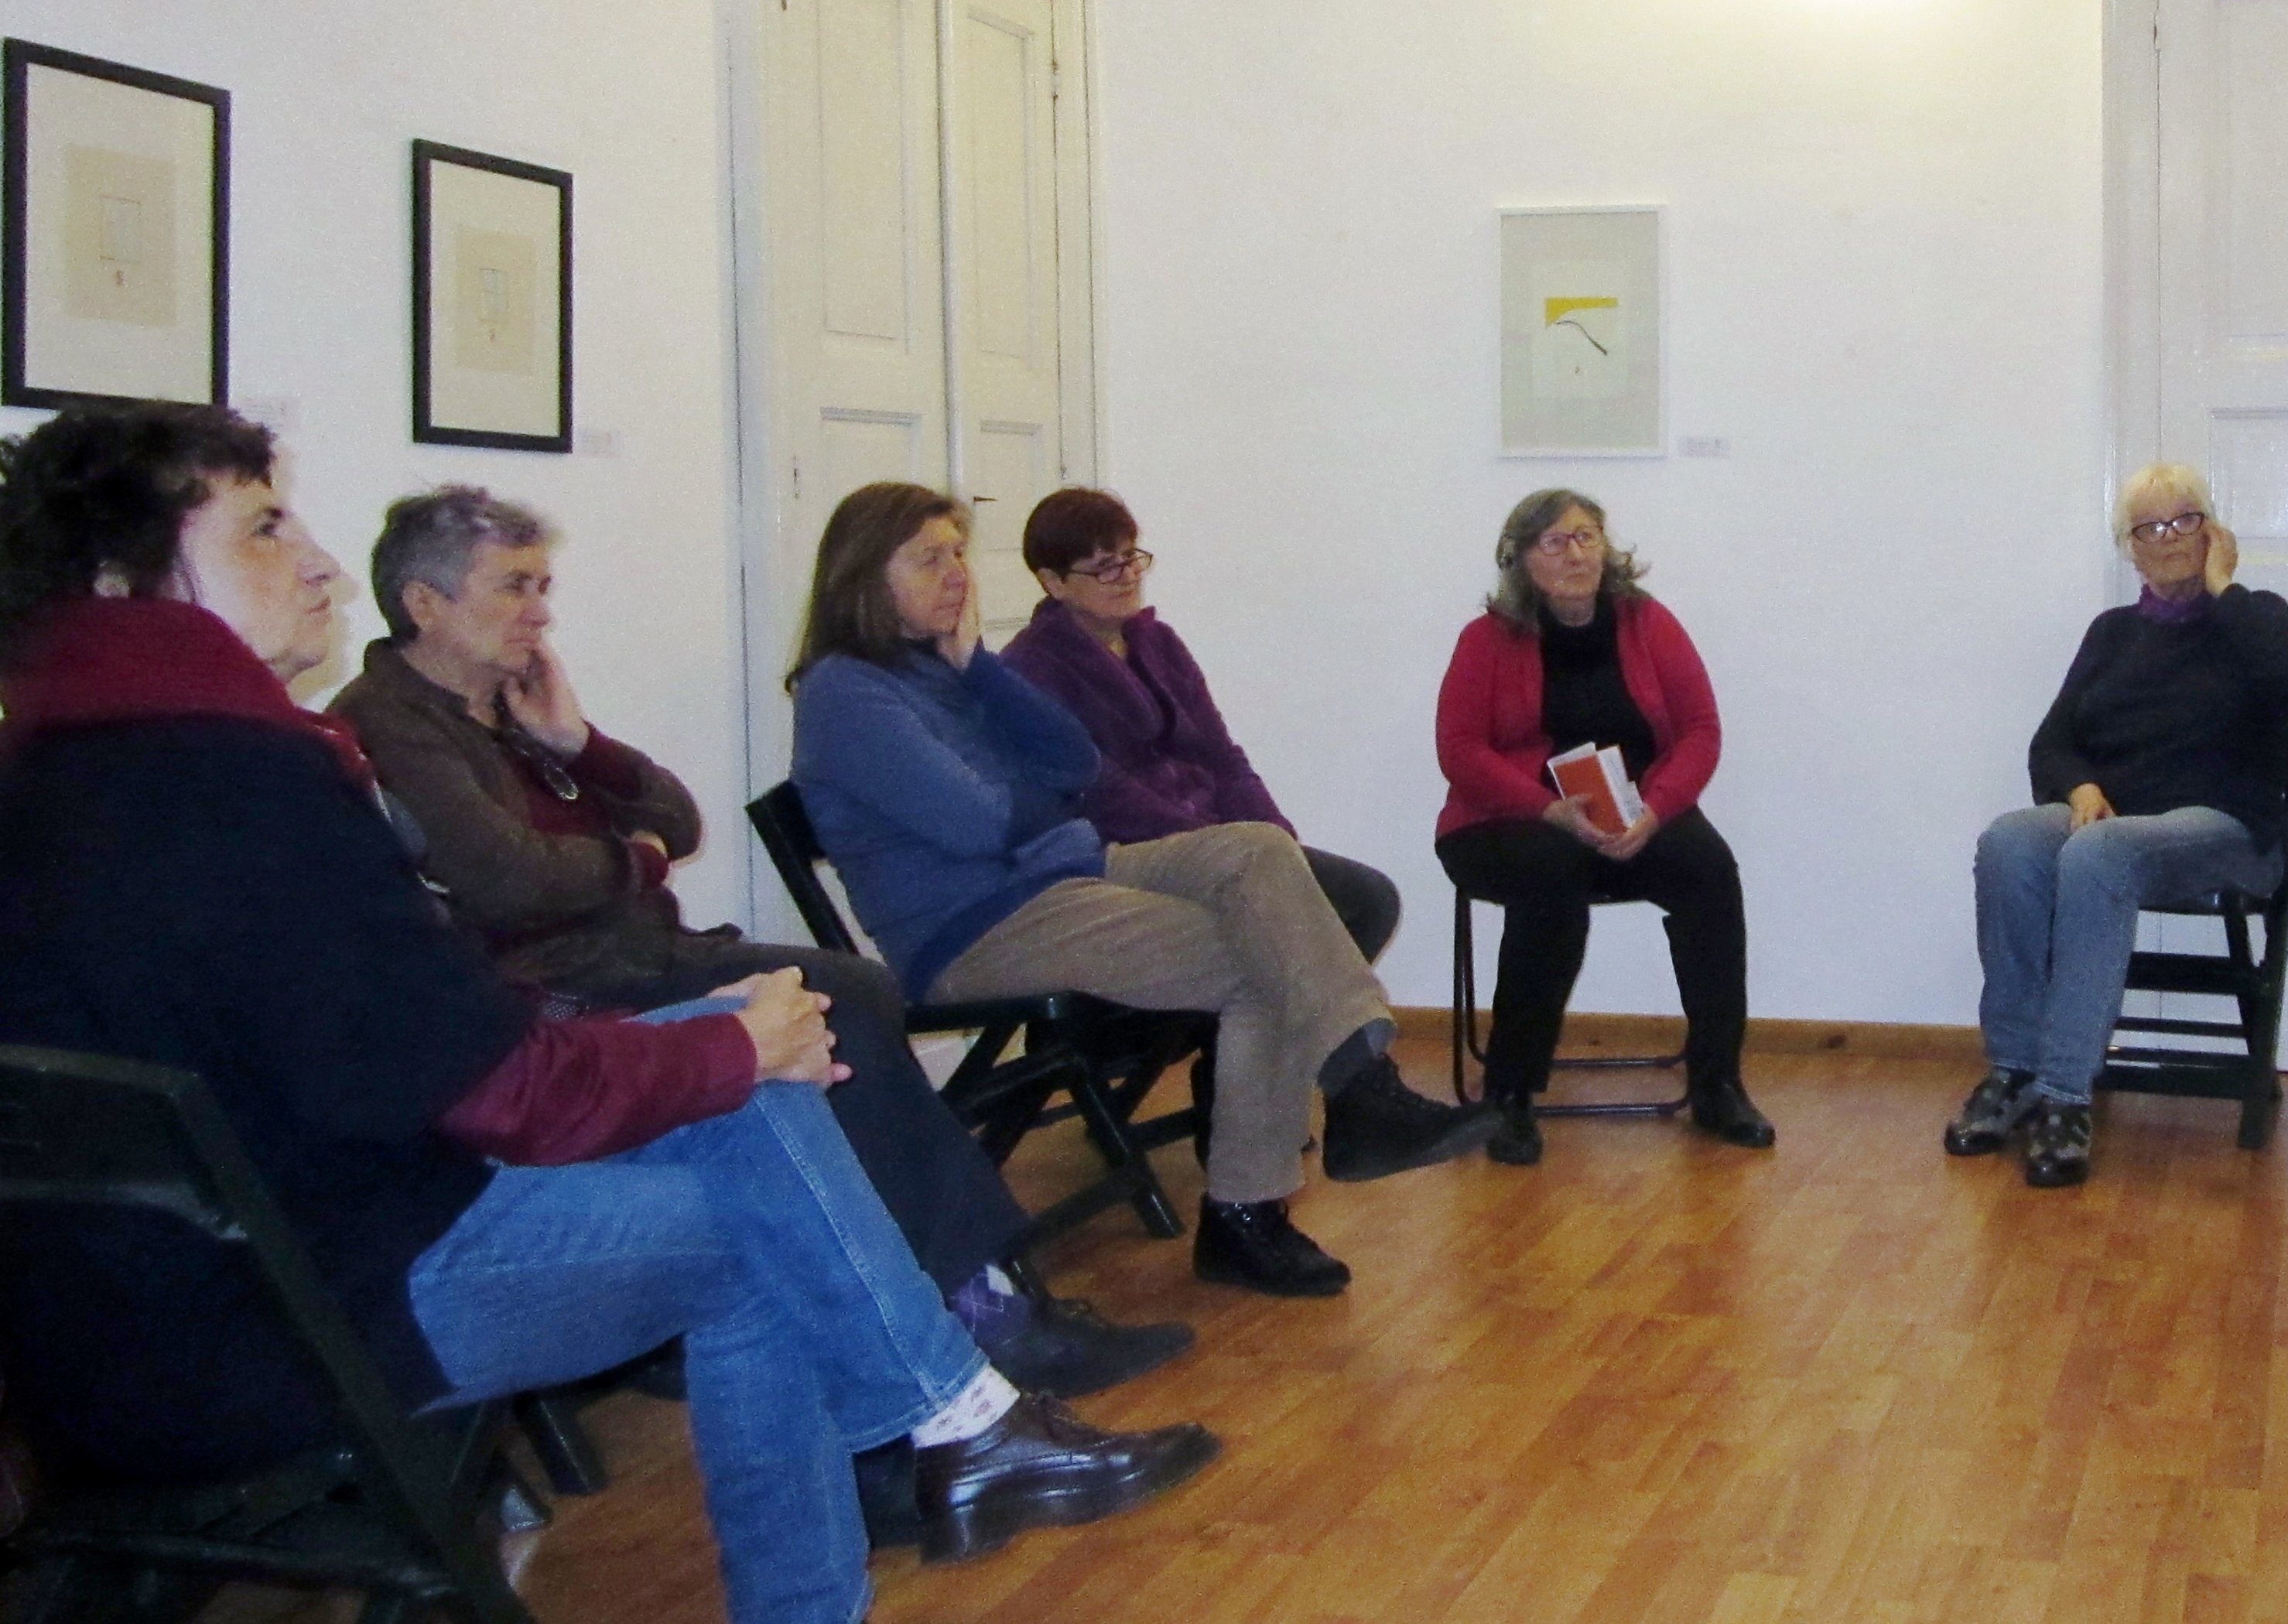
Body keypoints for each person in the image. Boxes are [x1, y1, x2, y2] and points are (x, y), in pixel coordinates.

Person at [0, 405, 1212, 1624]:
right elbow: (498, 1090)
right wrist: (730, 1045)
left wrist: (719, 1041)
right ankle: (930, 1453)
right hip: (293, 1319)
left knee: (756, 1093)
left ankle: (959, 1424)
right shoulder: (246, 780)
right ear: (120, 580)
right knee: (765, 1224)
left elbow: (396, 1050)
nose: (318, 562)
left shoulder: (61, 769)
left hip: (107, 1334)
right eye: (265, 527)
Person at [328, 485, 1191, 1414]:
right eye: (514, 587)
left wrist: (578, 743)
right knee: (836, 1013)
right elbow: (511, 879)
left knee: (852, 990)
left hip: (644, 953)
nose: (540, 611)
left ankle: (961, 1292)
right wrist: (634, 861)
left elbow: (676, 817)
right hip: (558, 995)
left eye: (542, 585)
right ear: (425, 603)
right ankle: (982, 1308)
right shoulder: (391, 723)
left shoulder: (514, 707)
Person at [788, 481, 1491, 1301]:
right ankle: (1252, 1212)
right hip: (975, 926)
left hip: (1069, 870)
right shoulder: (844, 692)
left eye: (957, 554)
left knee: (1259, 852)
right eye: (928, 559)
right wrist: (1027, 796)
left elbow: (1074, 762)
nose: (957, 575)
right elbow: (978, 824)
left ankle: (1362, 1087)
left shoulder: (946, 669)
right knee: (1263, 956)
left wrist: (978, 668)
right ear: (864, 576)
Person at [1953, 463, 2288, 1188]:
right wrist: (2082, 785)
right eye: (2149, 528)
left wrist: (2224, 588)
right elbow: (2052, 743)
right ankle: (2013, 1070)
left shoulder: (2252, 618)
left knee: (2099, 853)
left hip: (2226, 829)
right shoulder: (2112, 634)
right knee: (2010, 842)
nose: (2169, 538)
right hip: (2117, 822)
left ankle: (2065, 1096)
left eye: (2186, 519)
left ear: (2213, 530)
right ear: (2129, 547)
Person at [1433, 490, 1769, 1163]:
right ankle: (1509, 1094)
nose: (1576, 553)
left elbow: (1700, 730)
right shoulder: (1486, 639)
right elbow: (1460, 750)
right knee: (1550, 875)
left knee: (1708, 870)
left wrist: (1656, 808)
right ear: (1521, 558)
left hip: (1632, 812)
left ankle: (1717, 1084)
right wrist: (1547, 808)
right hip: (1507, 820)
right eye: (1555, 541)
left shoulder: (1648, 623)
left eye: (1587, 536)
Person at [998, 486, 1401, 962]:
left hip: (1220, 838)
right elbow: (1104, 794)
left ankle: (1286, 1010)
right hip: (1132, 854)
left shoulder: (1159, 642)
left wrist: (1274, 837)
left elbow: (1223, 757)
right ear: (1054, 582)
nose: (1128, 575)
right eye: (1105, 566)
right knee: (1278, 928)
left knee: (1369, 900)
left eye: (1131, 557)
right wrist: (1213, 845)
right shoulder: (1031, 668)